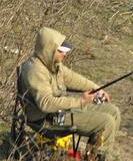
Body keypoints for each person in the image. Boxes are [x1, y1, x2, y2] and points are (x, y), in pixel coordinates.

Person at [19, 27, 120, 160]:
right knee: (106, 122)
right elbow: (46, 104)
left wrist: (97, 89)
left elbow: (74, 79)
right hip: (46, 121)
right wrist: (80, 101)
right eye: (61, 51)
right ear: (49, 50)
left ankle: (94, 155)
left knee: (113, 111)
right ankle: (97, 157)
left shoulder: (53, 64)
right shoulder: (35, 71)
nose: (65, 54)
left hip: (59, 112)